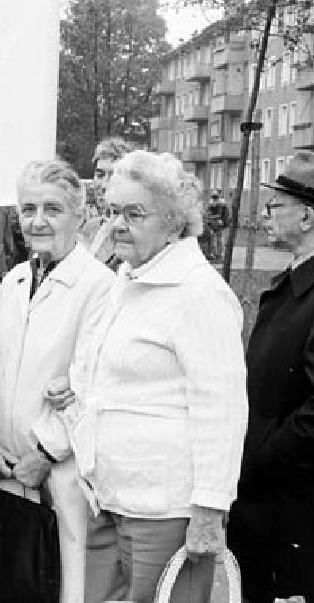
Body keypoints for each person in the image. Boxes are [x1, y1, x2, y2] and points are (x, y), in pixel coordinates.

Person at [52, 151, 247, 602]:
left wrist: (209, 510)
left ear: (175, 222)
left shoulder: (199, 293)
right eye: (112, 211)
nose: (117, 224)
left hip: (165, 509)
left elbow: (223, 409)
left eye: (134, 213)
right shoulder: (126, 277)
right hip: (107, 496)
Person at [0, 159, 114, 603]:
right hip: (1, 470)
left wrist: (46, 453)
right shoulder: (14, 281)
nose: (37, 220)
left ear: (80, 214)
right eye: (28, 208)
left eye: (52, 209)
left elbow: (91, 382)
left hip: (56, 476)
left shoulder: (100, 287)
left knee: (58, 586)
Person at [228, 151, 314, 602]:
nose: (264, 215)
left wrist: (259, 457)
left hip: (305, 514)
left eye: (274, 206)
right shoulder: (310, 275)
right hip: (278, 506)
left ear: (306, 216)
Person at [80, 137, 134, 269]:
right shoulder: (90, 227)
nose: (104, 184)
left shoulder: (130, 233)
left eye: (112, 176)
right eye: (99, 175)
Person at [206, 191, 230, 260]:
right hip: (214, 224)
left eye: (215, 196)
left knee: (218, 240)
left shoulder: (220, 204)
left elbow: (219, 215)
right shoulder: (213, 204)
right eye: (214, 196)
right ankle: (215, 254)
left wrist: (211, 217)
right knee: (214, 240)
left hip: (218, 224)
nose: (214, 198)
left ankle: (219, 254)